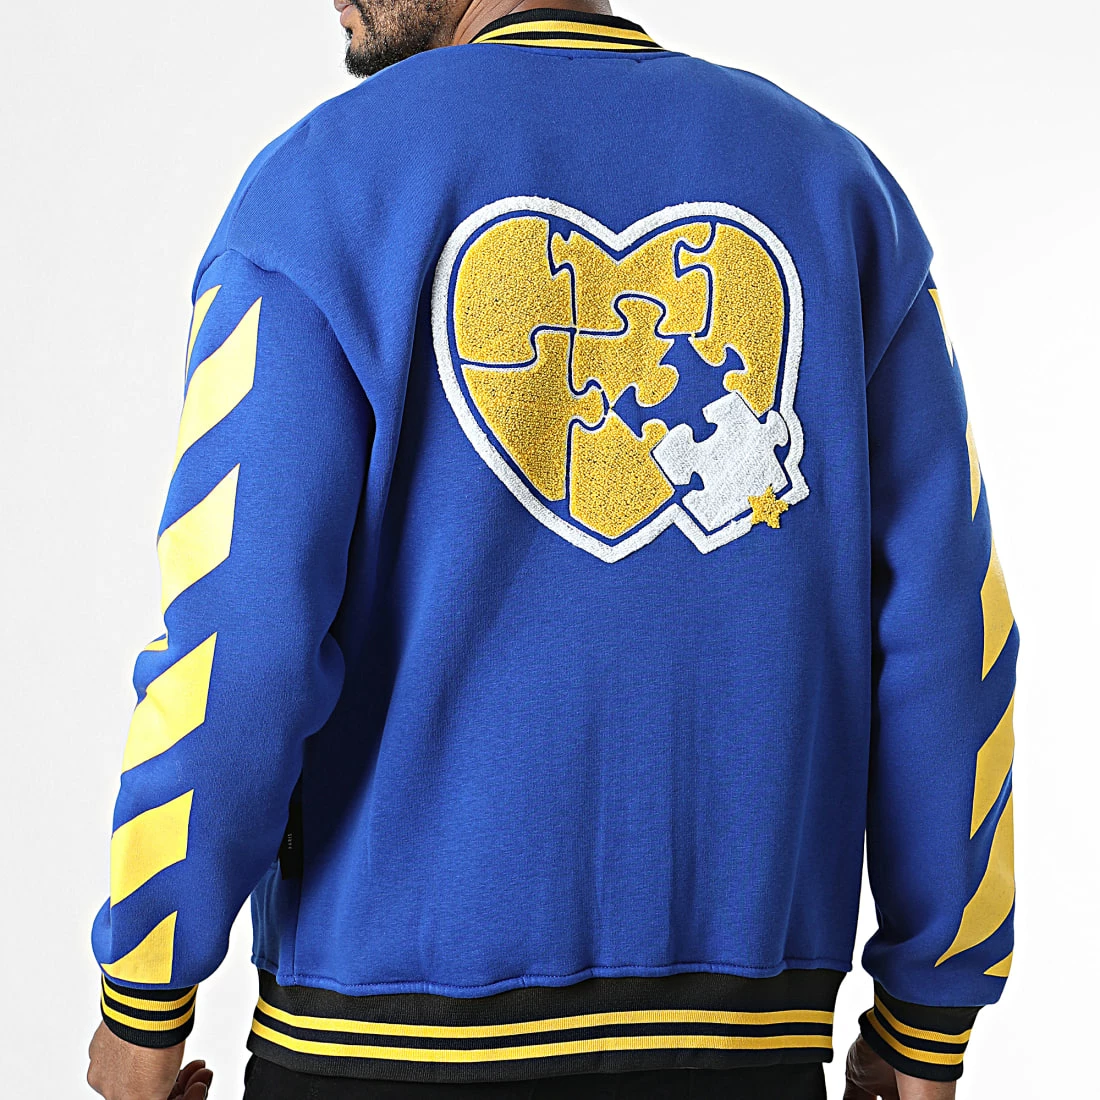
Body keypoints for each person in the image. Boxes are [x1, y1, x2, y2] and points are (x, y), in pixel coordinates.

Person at [85, 2, 1019, 1098]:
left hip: (380, 1052)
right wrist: (928, 1013)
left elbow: (235, 645)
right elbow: (952, 636)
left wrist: (146, 992)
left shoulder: (318, 189)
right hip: (738, 1050)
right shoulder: (838, 190)